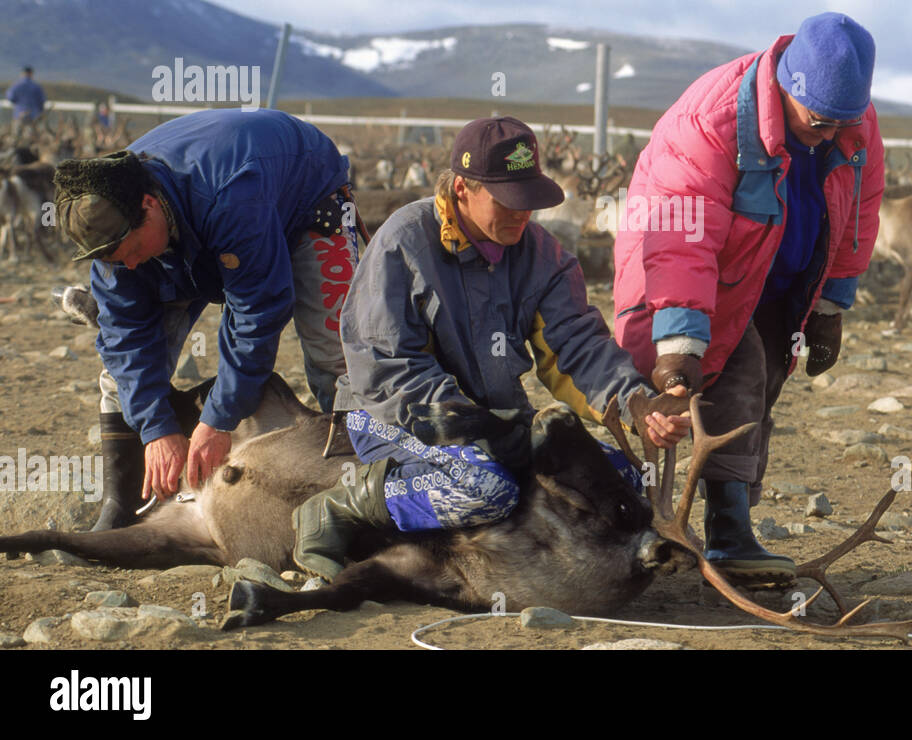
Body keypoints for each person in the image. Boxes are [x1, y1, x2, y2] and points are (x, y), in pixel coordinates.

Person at [291, 116, 689, 580]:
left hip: (497, 424)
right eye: (509, 202)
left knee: (626, 475)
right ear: (463, 189)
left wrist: (634, 403)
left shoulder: (543, 257)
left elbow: (577, 349)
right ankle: (340, 507)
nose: (524, 213)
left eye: (530, 201)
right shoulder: (403, 242)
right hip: (387, 416)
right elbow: (386, 368)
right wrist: (479, 425)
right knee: (485, 485)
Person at [612, 12, 886, 585]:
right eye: (818, 122)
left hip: (776, 277)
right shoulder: (712, 119)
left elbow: (858, 208)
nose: (831, 135)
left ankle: (721, 528)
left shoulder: (852, 123)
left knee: (760, 388)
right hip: (684, 270)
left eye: (843, 123)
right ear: (789, 85)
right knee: (716, 377)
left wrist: (831, 306)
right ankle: (710, 534)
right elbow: (682, 233)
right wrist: (680, 337)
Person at [54, 109, 360, 530]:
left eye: (128, 247)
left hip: (308, 201)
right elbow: (125, 338)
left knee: (339, 357)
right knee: (118, 373)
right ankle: (121, 507)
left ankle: (360, 492)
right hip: (193, 232)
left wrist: (218, 420)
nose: (125, 262)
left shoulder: (233, 197)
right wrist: (156, 429)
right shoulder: (117, 244)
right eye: (110, 258)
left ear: (148, 205)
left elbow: (257, 309)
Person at [6, 66, 46, 141]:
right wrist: (40, 112)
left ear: (22, 74)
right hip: (33, 116)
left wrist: (18, 103)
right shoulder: (37, 87)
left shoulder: (16, 86)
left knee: (15, 137)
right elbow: (42, 101)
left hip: (19, 115)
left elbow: (10, 97)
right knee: (31, 138)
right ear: (31, 74)